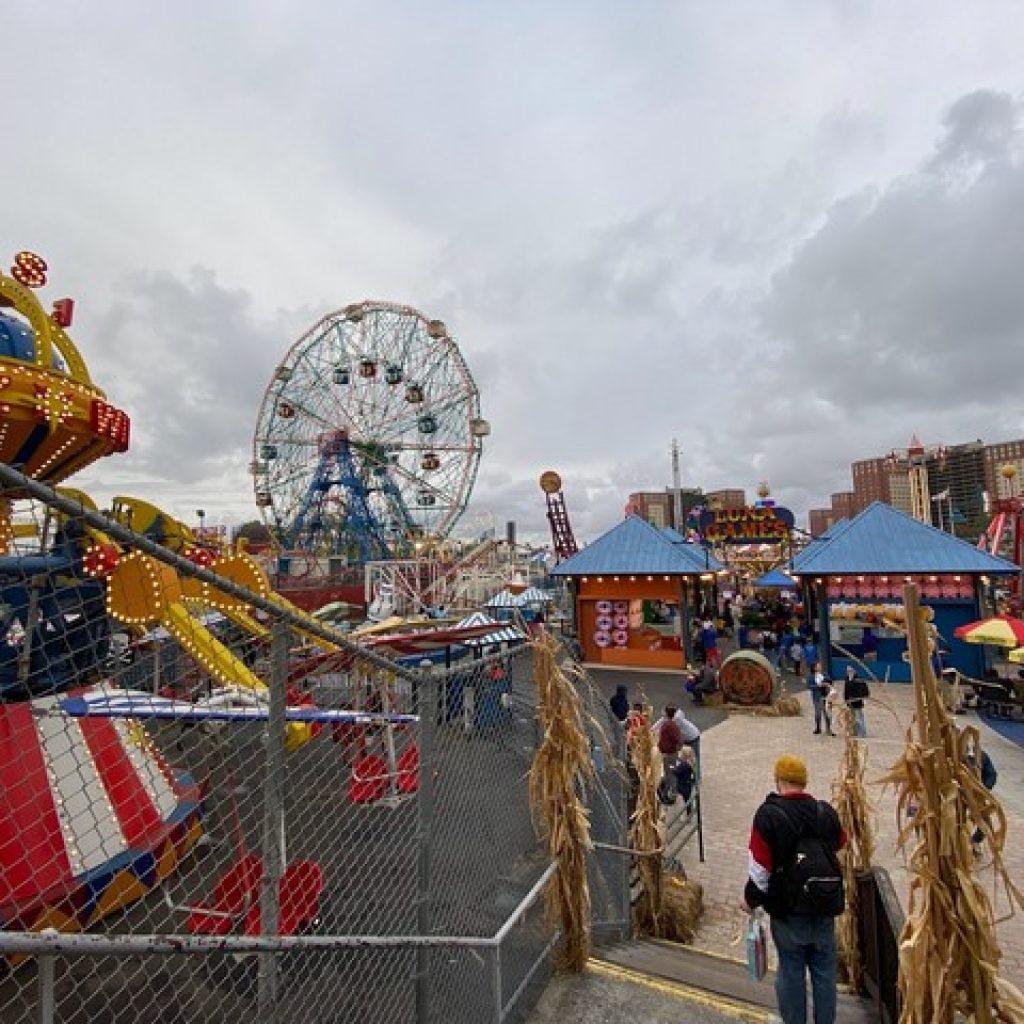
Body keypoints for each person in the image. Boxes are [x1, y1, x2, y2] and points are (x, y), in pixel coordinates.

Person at [742, 754, 846, 1024]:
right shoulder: (825, 812)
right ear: (803, 782)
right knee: (825, 972)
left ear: (779, 780)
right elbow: (840, 844)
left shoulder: (769, 814)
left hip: (789, 909)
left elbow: (760, 868)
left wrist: (750, 900)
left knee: (791, 970)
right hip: (823, 904)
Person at [842, 666, 870, 738]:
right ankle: (855, 732)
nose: (849, 672)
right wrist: (846, 700)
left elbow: (865, 691)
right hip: (850, 703)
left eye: (851, 670)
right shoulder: (847, 679)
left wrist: (863, 697)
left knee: (859, 718)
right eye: (848, 671)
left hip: (857, 703)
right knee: (852, 718)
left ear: (854, 671)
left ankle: (862, 733)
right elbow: (846, 691)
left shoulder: (859, 680)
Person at [813, 664, 834, 736]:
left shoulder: (825, 674)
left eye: (820, 666)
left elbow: (830, 681)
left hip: (826, 697)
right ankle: (818, 728)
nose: (820, 667)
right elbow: (809, 685)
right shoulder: (812, 676)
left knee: (828, 713)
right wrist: (818, 686)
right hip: (817, 698)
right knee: (818, 714)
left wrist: (825, 682)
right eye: (818, 666)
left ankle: (829, 729)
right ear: (815, 668)